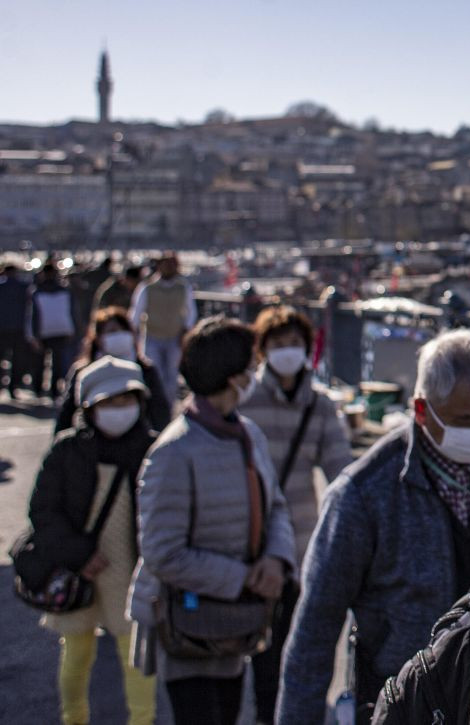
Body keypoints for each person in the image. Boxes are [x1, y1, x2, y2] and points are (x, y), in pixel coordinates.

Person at [277, 329, 470, 724]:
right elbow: (314, 631)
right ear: (421, 409)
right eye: (466, 419)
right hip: (401, 704)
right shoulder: (364, 494)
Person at [127, 316, 294, 725]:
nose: (256, 373)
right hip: (190, 627)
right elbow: (162, 553)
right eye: (251, 367)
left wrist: (275, 560)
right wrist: (243, 577)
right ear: (233, 377)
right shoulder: (173, 453)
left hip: (237, 625)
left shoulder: (247, 434)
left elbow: (275, 507)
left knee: (231, 710)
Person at [29, 357, 159, 725]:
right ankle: (73, 719)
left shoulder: (154, 449)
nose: (120, 410)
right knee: (76, 654)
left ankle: (142, 721)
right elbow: (43, 512)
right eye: (109, 402)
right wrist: (79, 554)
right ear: (88, 406)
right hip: (78, 568)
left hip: (131, 569)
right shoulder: (66, 450)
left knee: (135, 657)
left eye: (127, 400)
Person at [238, 306, 352, 724]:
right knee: (249, 649)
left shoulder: (319, 406)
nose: (288, 352)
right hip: (247, 539)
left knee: (290, 650)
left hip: (300, 544)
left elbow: (341, 472)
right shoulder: (245, 400)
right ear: (262, 349)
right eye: (278, 344)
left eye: (296, 344)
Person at [55, 308, 172, 435]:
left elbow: (160, 410)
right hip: (92, 442)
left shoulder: (145, 370)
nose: (120, 335)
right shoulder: (82, 371)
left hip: (136, 441)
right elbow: (66, 413)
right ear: (98, 338)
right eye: (113, 331)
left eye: (124, 330)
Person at [129, 253, 196, 403]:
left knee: (172, 376)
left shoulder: (183, 287)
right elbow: (135, 314)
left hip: (175, 338)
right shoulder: (147, 288)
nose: (169, 268)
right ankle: (156, 406)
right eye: (166, 264)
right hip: (153, 337)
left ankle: (169, 407)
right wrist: (133, 336)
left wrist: (185, 331)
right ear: (159, 266)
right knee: (155, 374)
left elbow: (190, 313)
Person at [28, 262, 77, 400]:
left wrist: (32, 334)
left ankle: (38, 389)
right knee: (57, 363)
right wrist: (72, 329)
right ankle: (54, 390)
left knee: (40, 362)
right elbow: (72, 312)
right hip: (61, 330)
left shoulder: (36, 291)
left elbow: (32, 315)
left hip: (42, 331)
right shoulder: (65, 290)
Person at [0, 263, 30, 398]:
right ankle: (13, 386)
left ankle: (2, 385)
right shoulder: (24, 287)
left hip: (2, 328)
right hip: (19, 328)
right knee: (17, 360)